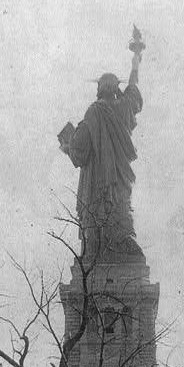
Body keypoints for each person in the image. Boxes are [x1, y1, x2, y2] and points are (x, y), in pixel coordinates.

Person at [60, 53, 144, 258]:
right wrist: (135, 62)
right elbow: (132, 92)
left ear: (99, 90)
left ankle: (95, 249)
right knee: (121, 211)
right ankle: (122, 243)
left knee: (97, 215)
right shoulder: (123, 108)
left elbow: (80, 149)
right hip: (120, 179)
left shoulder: (93, 112)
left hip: (97, 183)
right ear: (116, 90)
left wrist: (68, 146)